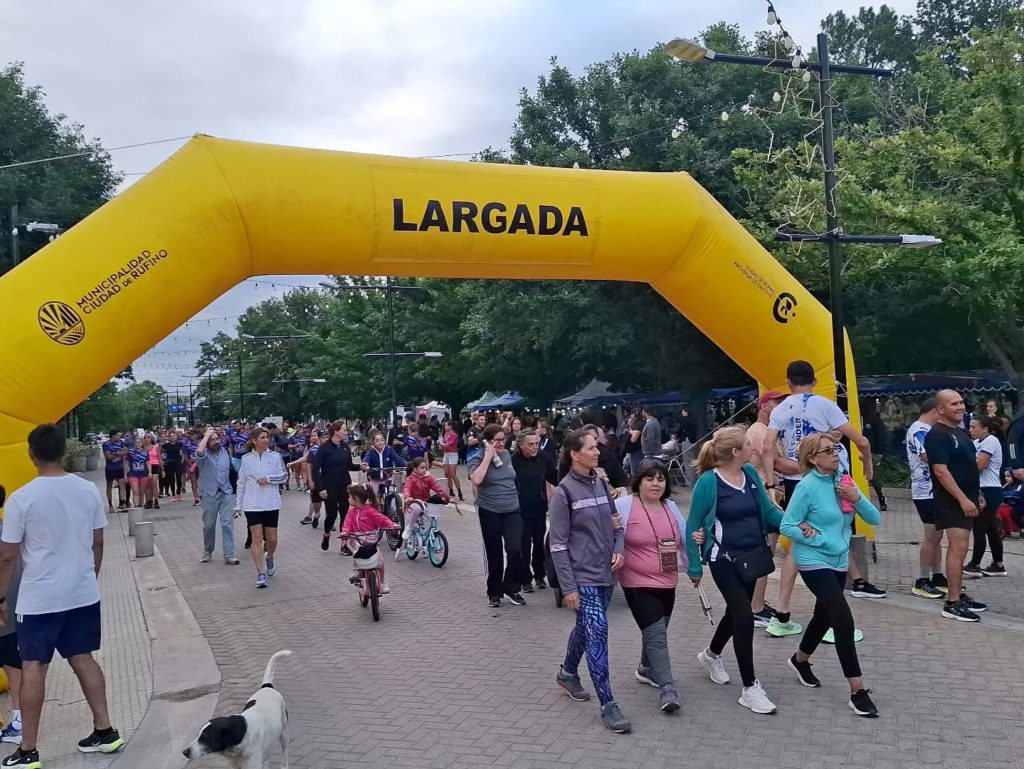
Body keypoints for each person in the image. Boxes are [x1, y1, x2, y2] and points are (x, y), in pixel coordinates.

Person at [0, 425, 124, 768]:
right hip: (82, 593)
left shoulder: (22, 498)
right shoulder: (87, 490)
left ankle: (28, 750)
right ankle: (105, 731)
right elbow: (98, 541)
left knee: (33, 666)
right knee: (83, 657)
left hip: (40, 599)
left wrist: (0, 598)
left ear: (31, 454)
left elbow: (7, 555)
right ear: (63, 451)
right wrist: (88, 579)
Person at [762, 360, 883, 641]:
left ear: (788, 382)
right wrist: (867, 464)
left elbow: (767, 446)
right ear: (814, 381)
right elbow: (861, 441)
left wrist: (770, 484)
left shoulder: (780, 409)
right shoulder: (824, 405)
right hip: (828, 480)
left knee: (798, 545)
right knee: (835, 536)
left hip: (797, 480)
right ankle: (830, 618)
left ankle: (782, 613)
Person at [780, 433, 881, 718]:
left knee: (823, 616)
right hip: (813, 559)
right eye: (828, 451)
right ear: (813, 458)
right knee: (842, 619)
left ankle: (800, 660)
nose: (835, 454)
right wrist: (815, 536)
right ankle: (857, 691)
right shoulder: (807, 487)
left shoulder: (843, 480)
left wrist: (856, 497)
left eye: (835, 448)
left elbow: (875, 518)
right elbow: (787, 525)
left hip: (838, 560)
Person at [686, 425, 783, 716]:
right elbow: (693, 525)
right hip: (723, 557)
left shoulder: (750, 474)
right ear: (735, 451)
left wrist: (795, 525)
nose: (754, 449)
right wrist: (694, 565)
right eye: (748, 445)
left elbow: (768, 511)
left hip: (752, 557)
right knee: (743, 615)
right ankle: (750, 688)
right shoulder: (708, 482)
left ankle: (711, 655)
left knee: (734, 612)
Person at [549, 429, 630, 733]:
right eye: (592, 448)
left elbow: (617, 525)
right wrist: (568, 587)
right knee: (598, 631)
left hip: (606, 574)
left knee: (586, 628)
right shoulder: (563, 493)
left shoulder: (600, 484)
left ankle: (568, 673)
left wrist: (619, 549)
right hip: (581, 576)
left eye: (597, 447)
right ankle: (608, 704)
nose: (598, 452)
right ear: (574, 454)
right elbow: (557, 546)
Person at [614, 460, 689, 714]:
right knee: (657, 636)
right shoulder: (624, 506)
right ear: (638, 482)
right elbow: (608, 535)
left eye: (660, 479)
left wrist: (694, 565)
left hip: (667, 580)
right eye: (649, 479)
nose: (656, 484)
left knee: (658, 630)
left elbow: (683, 538)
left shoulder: (670, 506)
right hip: (636, 582)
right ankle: (668, 688)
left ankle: (646, 668)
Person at [924, 390, 988, 622]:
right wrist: (962, 499)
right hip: (950, 502)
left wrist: (977, 494)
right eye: (954, 404)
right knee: (957, 548)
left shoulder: (960, 432)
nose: (960, 407)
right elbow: (941, 471)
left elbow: (968, 466)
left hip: (968, 498)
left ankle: (958, 593)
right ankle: (952, 602)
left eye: (961, 402)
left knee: (962, 549)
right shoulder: (937, 434)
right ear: (940, 409)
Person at [744, 390, 794, 626]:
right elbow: (777, 464)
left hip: (772, 495)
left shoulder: (769, 431)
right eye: (777, 402)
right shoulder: (759, 431)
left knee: (767, 552)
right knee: (764, 553)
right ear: (764, 406)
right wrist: (807, 465)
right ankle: (755, 607)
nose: (782, 406)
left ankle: (757, 603)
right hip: (765, 496)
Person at [468, 423, 526, 607]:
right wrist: (488, 456)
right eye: (497, 440)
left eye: (503, 439)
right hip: (490, 510)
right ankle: (494, 591)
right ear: (487, 441)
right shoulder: (477, 458)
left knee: (515, 549)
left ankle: (511, 587)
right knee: (494, 553)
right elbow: (477, 479)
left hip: (512, 509)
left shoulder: (507, 455)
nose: (501, 443)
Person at [235, 427, 288, 588]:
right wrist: (238, 505)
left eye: (267, 437)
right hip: (252, 504)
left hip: (271, 503)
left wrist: (269, 479)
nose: (266, 440)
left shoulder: (275, 456)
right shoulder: (246, 459)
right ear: (254, 441)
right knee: (256, 538)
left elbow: (284, 476)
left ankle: (269, 556)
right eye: (263, 437)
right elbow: (241, 482)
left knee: (272, 539)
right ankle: (260, 573)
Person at [906, 398, 948, 599]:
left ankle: (937, 575)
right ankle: (922, 580)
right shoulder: (918, 430)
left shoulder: (928, 430)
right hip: (925, 490)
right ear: (934, 412)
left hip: (934, 490)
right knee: (931, 536)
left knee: (938, 536)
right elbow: (927, 455)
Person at [511, 430, 558, 594]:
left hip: (539, 507)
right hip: (520, 509)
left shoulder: (544, 458)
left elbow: (556, 477)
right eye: (530, 444)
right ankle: (525, 579)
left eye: (537, 443)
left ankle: (539, 575)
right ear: (521, 445)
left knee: (539, 543)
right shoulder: (513, 460)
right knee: (523, 545)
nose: (535, 447)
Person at [341, 483, 400, 594]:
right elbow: (347, 524)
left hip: (372, 539)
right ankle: (359, 570)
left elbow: (382, 519)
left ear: (356, 498)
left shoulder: (370, 510)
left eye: (349, 497)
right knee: (357, 550)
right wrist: (345, 533)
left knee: (380, 562)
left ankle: (382, 582)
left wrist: (392, 525)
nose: (348, 499)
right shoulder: (351, 512)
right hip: (356, 537)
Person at [314, 421, 363, 553]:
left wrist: (360, 467)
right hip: (329, 485)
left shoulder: (345, 446)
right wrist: (320, 488)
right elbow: (316, 469)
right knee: (331, 514)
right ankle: (326, 534)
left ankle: (344, 544)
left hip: (344, 485)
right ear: (336, 432)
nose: (346, 432)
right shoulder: (324, 448)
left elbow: (349, 465)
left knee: (345, 513)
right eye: (344, 430)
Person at [966, 416, 1006, 577]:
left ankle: (974, 564)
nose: (970, 430)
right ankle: (998, 564)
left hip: (990, 489)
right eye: (970, 426)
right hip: (981, 488)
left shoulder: (991, 440)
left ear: (985, 429)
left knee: (979, 527)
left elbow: (980, 465)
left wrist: (962, 468)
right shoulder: (976, 443)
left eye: (974, 427)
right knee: (991, 529)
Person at [195, 427, 240, 565]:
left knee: (227, 523)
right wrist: (206, 435)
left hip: (226, 492)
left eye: (217, 439)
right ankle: (208, 551)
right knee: (209, 525)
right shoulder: (203, 455)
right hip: (209, 493)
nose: (216, 441)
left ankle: (228, 554)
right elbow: (199, 451)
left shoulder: (225, 452)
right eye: (212, 440)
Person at [0, 484, 23, 746]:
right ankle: (19, 720)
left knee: (13, 665)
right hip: (16, 610)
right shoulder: (9, 532)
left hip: (4, 608)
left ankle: (18, 723)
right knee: (14, 664)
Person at [402, 457, 450, 541]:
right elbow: (407, 488)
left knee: (433, 514)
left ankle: (432, 533)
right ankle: (409, 527)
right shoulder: (411, 479)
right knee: (417, 509)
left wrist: (445, 496)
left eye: (425, 468)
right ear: (415, 469)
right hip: (414, 501)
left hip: (425, 501)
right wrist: (408, 497)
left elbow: (437, 487)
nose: (424, 470)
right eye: (422, 468)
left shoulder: (429, 478)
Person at [101, 431, 127, 513]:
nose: (119, 436)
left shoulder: (121, 442)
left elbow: (126, 452)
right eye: (117, 435)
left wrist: (115, 454)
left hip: (120, 467)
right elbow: (108, 457)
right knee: (109, 486)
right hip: (110, 468)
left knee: (122, 484)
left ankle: (122, 503)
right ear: (113, 436)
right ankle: (110, 505)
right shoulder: (106, 444)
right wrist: (118, 453)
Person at [439, 421, 464, 501]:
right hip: (446, 454)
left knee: (453, 474)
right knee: (447, 474)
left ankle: (459, 491)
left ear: (451, 426)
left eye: (446, 425)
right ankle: (451, 491)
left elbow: (447, 445)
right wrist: (443, 445)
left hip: (452, 454)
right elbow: (443, 446)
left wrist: (441, 444)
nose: (445, 427)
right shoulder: (446, 434)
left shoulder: (454, 435)